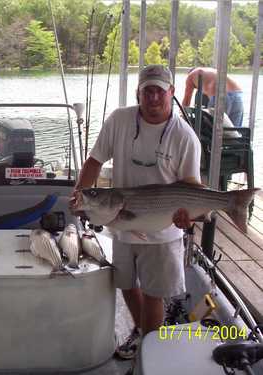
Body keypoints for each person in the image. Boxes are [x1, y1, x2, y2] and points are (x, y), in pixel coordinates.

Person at [72, 65, 201, 360]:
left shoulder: (185, 137)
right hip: (121, 221)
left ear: (172, 92)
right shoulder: (120, 120)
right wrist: (80, 192)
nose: (153, 97)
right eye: (147, 91)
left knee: (154, 294)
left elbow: (192, 186)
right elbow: (94, 160)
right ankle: (144, 333)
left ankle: (149, 353)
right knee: (127, 284)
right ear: (138, 93)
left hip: (163, 230)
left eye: (160, 91)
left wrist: (187, 216)